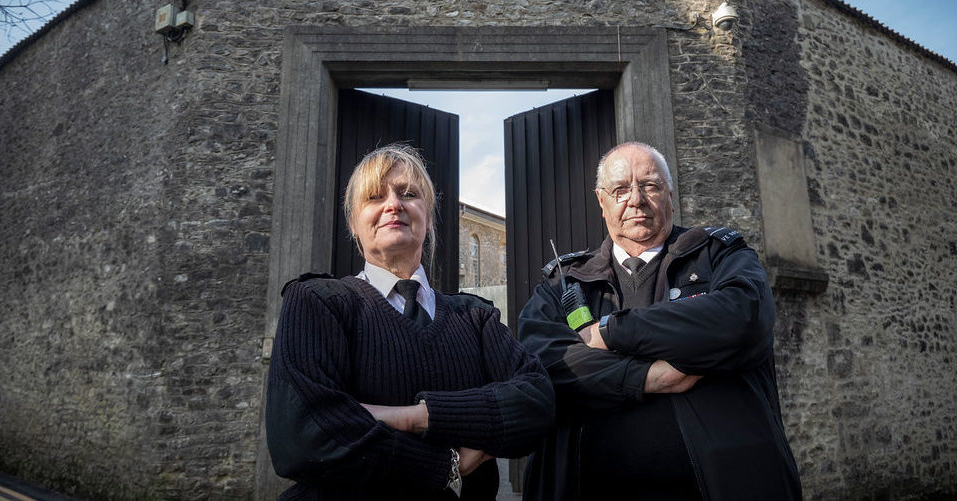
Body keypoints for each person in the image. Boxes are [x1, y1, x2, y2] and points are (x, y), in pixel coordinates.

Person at [267, 143, 554, 500]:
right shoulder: (317, 302)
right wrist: (446, 466)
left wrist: (417, 416)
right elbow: (303, 434)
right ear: (354, 225)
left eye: (408, 194)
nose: (393, 204)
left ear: (428, 217)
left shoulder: (476, 316)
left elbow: (536, 400)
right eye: (374, 197)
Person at [518, 141, 802, 501]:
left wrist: (609, 332)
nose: (635, 199)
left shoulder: (719, 255)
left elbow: (743, 318)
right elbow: (542, 363)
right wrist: (649, 377)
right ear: (600, 201)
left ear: (670, 192)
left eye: (650, 185)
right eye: (620, 189)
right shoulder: (564, 282)